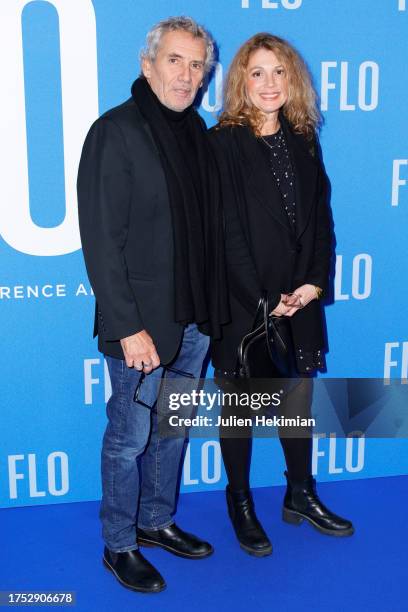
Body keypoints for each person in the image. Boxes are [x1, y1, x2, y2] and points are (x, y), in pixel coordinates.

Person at [77, 16, 228, 593]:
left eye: (197, 66)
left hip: (193, 320)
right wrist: (128, 327)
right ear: (147, 64)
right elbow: (101, 241)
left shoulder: (197, 135)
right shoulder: (114, 132)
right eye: (175, 60)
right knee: (129, 436)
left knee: (172, 432)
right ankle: (119, 544)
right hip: (139, 326)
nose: (187, 75)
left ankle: (157, 521)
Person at [209, 33, 354, 557]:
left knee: (296, 399)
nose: (269, 83)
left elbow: (320, 221)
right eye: (257, 73)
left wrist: (313, 284)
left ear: (292, 79)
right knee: (242, 409)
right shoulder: (221, 143)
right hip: (244, 303)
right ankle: (240, 502)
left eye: (279, 72)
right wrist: (265, 298)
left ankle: (300, 493)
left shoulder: (304, 137)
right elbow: (224, 233)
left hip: (300, 297)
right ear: (241, 83)